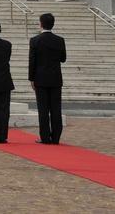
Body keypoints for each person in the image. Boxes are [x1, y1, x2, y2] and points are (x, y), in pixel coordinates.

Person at [29, 13, 67, 145]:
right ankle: (56, 137)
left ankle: (45, 137)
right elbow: (63, 58)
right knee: (56, 108)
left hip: (40, 78)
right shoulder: (60, 40)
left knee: (43, 109)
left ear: (41, 24)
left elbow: (32, 61)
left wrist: (31, 78)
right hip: (55, 78)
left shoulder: (35, 40)